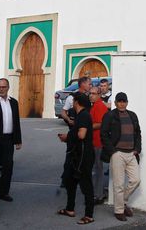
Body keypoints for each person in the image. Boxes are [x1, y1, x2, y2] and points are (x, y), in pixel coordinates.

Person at [100, 92, 141, 221]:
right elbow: (103, 133)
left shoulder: (133, 115)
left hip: (131, 153)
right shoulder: (110, 115)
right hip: (117, 153)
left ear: (127, 102)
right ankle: (119, 211)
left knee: (136, 180)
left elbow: (138, 133)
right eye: (119, 101)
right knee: (118, 184)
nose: (122, 103)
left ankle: (122, 202)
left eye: (124, 101)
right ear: (116, 103)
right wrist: (112, 151)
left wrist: (137, 149)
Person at [57, 92, 95, 225]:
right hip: (75, 155)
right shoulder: (80, 115)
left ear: (77, 102)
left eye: (73, 100)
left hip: (83, 156)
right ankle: (70, 208)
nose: (72, 103)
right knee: (70, 181)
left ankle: (89, 215)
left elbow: (82, 135)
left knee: (86, 185)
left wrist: (67, 137)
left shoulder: (84, 115)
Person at [88, 86, 108, 204]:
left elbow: (100, 123)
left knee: (98, 169)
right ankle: (97, 193)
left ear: (99, 95)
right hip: (94, 142)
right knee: (96, 168)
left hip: (98, 142)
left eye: (94, 93)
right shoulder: (95, 105)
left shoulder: (100, 106)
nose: (91, 95)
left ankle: (98, 195)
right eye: (90, 93)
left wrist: (86, 127)